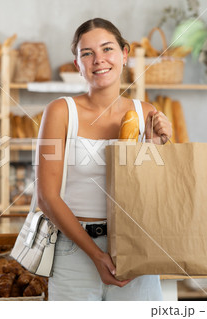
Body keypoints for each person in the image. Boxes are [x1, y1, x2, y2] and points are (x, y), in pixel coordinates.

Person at [36, 18, 172, 301]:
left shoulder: (146, 112)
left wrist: (157, 147)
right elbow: (46, 197)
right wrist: (96, 255)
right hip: (73, 252)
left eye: (107, 49)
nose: (99, 60)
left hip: (136, 247)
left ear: (125, 54)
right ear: (77, 65)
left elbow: (159, 194)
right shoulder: (59, 112)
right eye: (87, 53)